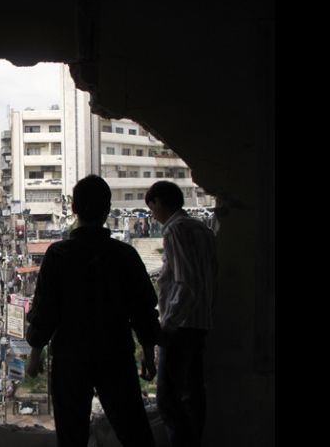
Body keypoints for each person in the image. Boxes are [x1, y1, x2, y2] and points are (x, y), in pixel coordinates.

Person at [26, 175, 160, 447]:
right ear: (107, 210)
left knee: (71, 436)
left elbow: (45, 310)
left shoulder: (58, 255)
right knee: (134, 432)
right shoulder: (125, 255)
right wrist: (148, 353)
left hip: (70, 358)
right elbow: (143, 309)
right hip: (116, 355)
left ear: (74, 208)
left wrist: (35, 353)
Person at [145, 181, 218, 447]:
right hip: (200, 323)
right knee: (192, 394)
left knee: (168, 399)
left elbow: (186, 284)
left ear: (159, 202)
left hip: (182, 326)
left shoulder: (175, 230)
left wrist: (169, 325)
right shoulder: (202, 229)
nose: (152, 214)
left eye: (151, 207)